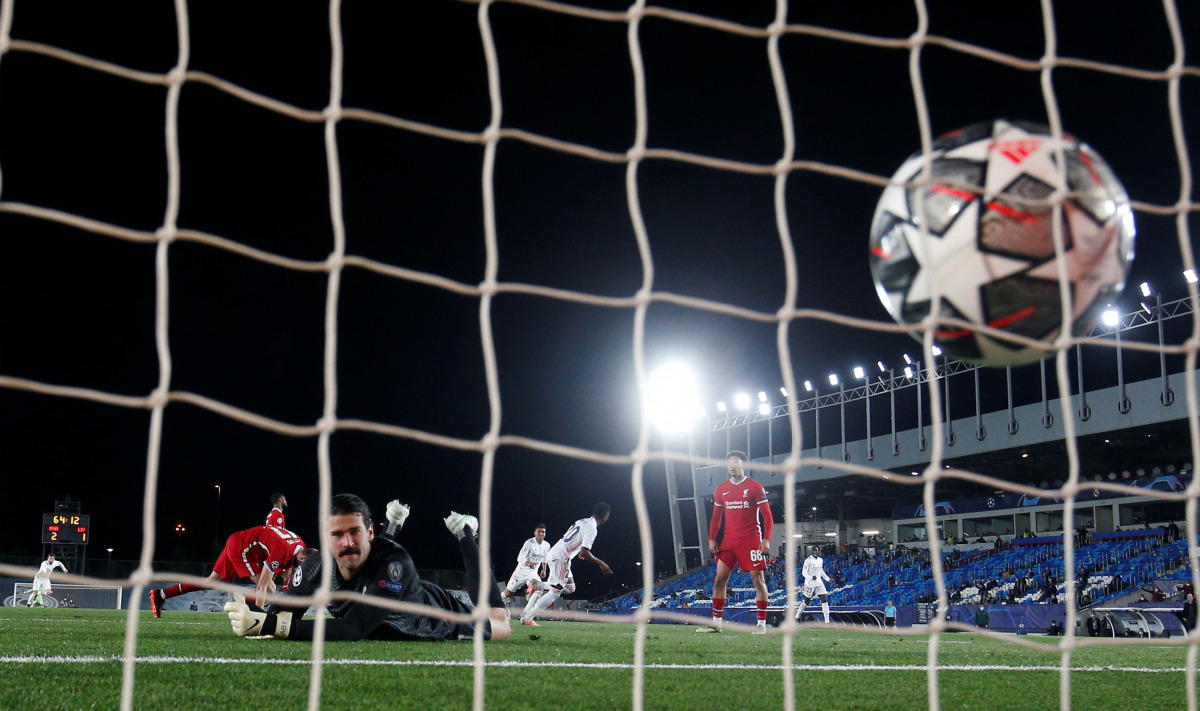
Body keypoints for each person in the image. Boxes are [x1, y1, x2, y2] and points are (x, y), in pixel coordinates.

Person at [223, 493, 512, 642]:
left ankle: (464, 533)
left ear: (370, 532)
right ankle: (395, 523)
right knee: (363, 559)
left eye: (356, 532)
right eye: (337, 534)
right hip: (379, 584)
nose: (346, 541)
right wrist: (256, 618)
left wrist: (274, 626)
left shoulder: (397, 564)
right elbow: (281, 614)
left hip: (434, 615)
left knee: (500, 623)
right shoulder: (314, 567)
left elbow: (354, 627)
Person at [150, 525, 311, 618]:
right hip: (242, 548)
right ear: (303, 558)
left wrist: (290, 610)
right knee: (269, 588)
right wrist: (262, 619)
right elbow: (263, 586)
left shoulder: (299, 547)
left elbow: (289, 577)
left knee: (209, 583)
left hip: (240, 542)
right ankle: (249, 611)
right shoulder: (282, 552)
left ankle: (162, 594)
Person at [697, 451, 775, 634]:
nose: (733, 467)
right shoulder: (720, 489)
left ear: (743, 466)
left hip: (751, 540)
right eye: (730, 464)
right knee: (718, 581)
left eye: (737, 463)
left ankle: (761, 625)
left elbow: (768, 516)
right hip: (729, 541)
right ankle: (717, 623)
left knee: (758, 580)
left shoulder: (755, 486)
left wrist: (766, 539)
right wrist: (711, 538)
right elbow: (716, 517)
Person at [521, 503, 612, 626]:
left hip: (556, 553)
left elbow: (577, 544)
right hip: (561, 558)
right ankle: (528, 617)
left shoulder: (582, 521)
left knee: (570, 588)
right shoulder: (592, 528)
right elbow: (585, 552)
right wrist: (602, 564)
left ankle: (539, 585)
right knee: (555, 592)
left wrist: (579, 552)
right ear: (605, 515)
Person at [499, 523, 550, 602]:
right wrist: (529, 563)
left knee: (539, 589)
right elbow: (519, 557)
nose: (541, 534)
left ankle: (528, 611)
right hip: (521, 571)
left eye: (543, 532)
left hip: (533, 573)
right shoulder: (529, 543)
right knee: (508, 593)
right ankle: (493, 601)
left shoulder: (547, 545)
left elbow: (544, 557)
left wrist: (544, 569)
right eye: (539, 532)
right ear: (535, 533)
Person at [795, 545, 832, 625]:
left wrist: (828, 579)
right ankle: (797, 617)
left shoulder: (820, 560)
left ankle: (827, 621)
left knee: (824, 599)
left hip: (819, 582)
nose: (815, 552)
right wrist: (811, 577)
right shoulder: (808, 560)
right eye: (813, 550)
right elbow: (804, 572)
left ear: (818, 551)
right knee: (806, 601)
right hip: (809, 583)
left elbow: (821, 571)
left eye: (816, 550)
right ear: (811, 551)